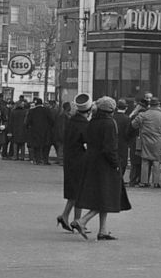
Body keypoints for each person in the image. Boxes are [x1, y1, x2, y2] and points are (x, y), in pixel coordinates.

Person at [71, 96, 131, 240]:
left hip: (91, 162)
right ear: (111, 110)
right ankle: (82, 221)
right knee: (107, 197)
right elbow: (110, 148)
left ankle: (103, 230)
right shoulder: (110, 123)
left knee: (102, 196)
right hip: (105, 165)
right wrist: (116, 164)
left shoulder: (92, 122)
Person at [58, 94, 92, 232]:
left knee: (74, 192)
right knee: (79, 192)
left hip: (70, 159)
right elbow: (87, 143)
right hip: (81, 160)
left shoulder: (71, 121)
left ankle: (66, 216)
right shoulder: (85, 125)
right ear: (88, 111)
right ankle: (76, 220)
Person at [131, 96, 161, 187]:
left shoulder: (143, 114)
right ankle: (156, 182)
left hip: (145, 140)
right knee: (156, 161)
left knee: (145, 160)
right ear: (158, 105)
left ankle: (144, 182)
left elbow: (133, 125)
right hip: (158, 141)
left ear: (150, 105)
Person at [26, 97, 54, 165]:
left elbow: (28, 122)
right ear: (41, 103)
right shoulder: (47, 110)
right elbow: (52, 120)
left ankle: (37, 160)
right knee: (46, 146)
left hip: (35, 131)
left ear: (36, 104)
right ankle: (45, 160)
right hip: (46, 131)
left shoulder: (32, 111)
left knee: (36, 146)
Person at [112, 100, 132, 179]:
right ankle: (120, 176)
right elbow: (128, 132)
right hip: (123, 142)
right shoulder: (127, 119)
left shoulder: (112, 117)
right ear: (126, 108)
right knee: (123, 161)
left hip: (113, 141)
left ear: (116, 107)